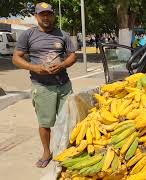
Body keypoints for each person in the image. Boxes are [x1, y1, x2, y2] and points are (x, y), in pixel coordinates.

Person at [12, 2, 77, 168]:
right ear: (36, 16)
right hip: (42, 86)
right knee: (45, 123)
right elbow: (16, 58)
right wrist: (35, 68)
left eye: (49, 14)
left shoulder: (63, 34)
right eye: (42, 15)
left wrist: (62, 65)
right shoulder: (28, 35)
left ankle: (66, 150)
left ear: (53, 16)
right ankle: (47, 152)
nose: (46, 17)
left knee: (68, 121)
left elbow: (72, 56)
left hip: (63, 85)